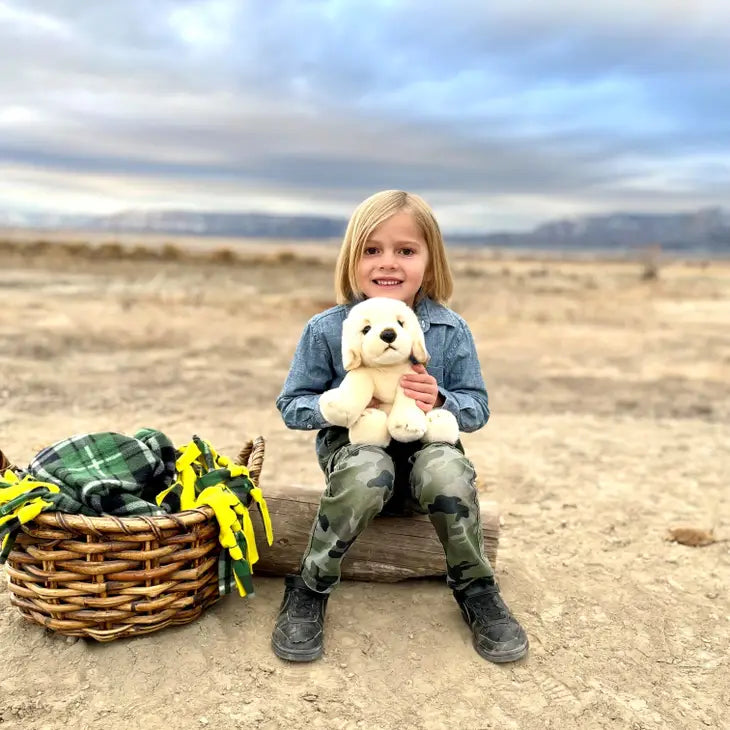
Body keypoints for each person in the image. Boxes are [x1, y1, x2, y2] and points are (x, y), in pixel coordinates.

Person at [272, 190, 528, 664]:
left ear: (429, 264)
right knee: (367, 466)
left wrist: (443, 398)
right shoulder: (327, 329)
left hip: (425, 464)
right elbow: (291, 404)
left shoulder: (450, 330)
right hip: (357, 461)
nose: (387, 263)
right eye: (372, 250)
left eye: (405, 250)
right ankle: (310, 585)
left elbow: (478, 407)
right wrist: (338, 406)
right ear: (352, 260)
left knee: (447, 469)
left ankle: (476, 588)